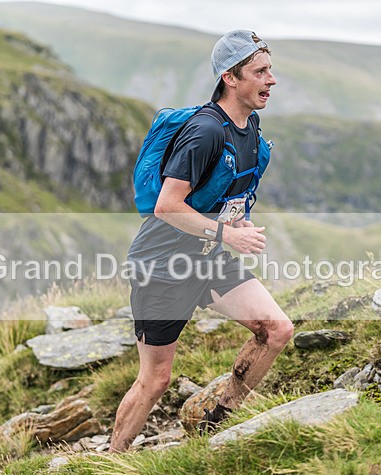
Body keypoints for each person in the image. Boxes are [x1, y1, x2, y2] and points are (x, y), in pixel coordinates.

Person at [110, 29, 293, 453]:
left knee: (277, 329)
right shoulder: (205, 132)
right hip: (163, 265)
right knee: (155, 380)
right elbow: (167, 206)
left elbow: (230, 195)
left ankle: (218, 421)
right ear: (230, 77)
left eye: (271, 70)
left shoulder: (250, 127)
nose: (272, 80)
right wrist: (229, 234)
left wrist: (239, 226)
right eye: (260, 71)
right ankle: (113, 459)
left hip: (207, 257)